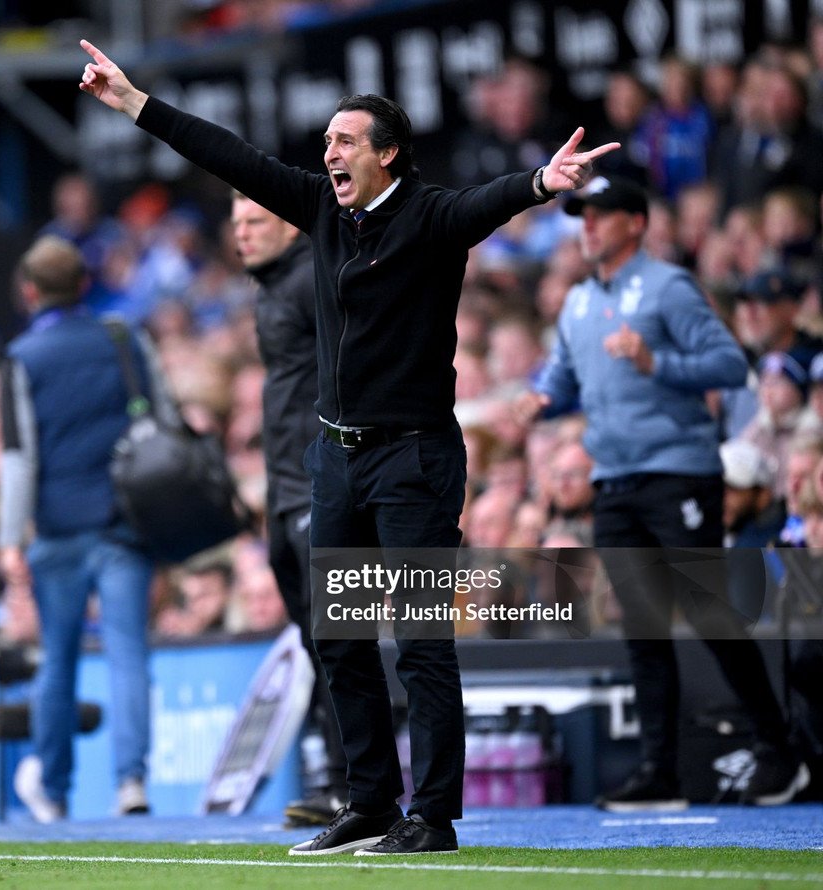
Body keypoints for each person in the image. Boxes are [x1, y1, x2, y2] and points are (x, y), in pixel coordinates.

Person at [78, 38, 617, 855]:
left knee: (421, 641)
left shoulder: (431, 216)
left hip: (414, 458)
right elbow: (229, 154)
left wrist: (544, 181)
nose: (326, 151)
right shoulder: (322, 211)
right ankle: (368, 801)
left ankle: (430, 818)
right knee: (338, 638)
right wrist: (133, 103)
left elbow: (492, 201)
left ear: (387, 152)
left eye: (344, 140)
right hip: (336, 458)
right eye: (325, 141)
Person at [516, 175, 808, 811]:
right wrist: (541, 398)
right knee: (642, 626)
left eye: (599, 214)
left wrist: (658, 365)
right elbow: (564, 375)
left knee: (706, 609)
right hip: (614, 480)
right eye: (582, 216)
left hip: (678, 470)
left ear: (636, 223)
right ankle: (659, 772)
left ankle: (779, 753)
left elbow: (731, 365)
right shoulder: (576, 304)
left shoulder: (670, 287)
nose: (587, 226)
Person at [0, 235, 171, 822]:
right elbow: (165, 421)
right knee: (128, 655)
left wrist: (7, 540)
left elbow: (20, 457)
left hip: (58, 529)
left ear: (28, 291)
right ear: (82, 284)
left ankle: (53, 787)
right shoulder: (124, 337)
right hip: (125, 521)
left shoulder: (22, 357)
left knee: (58, 660)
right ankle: (132, 784)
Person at [230, 191, 348, 826]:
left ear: (286, 225)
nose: (242, 234)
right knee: (315, 643)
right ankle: (342, 780)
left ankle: (355, 784)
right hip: (282, 490)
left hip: (315, 485)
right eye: (236, 223)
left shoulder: (310, 279)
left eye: (255, 221)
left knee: (335, 641)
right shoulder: (269, 286)